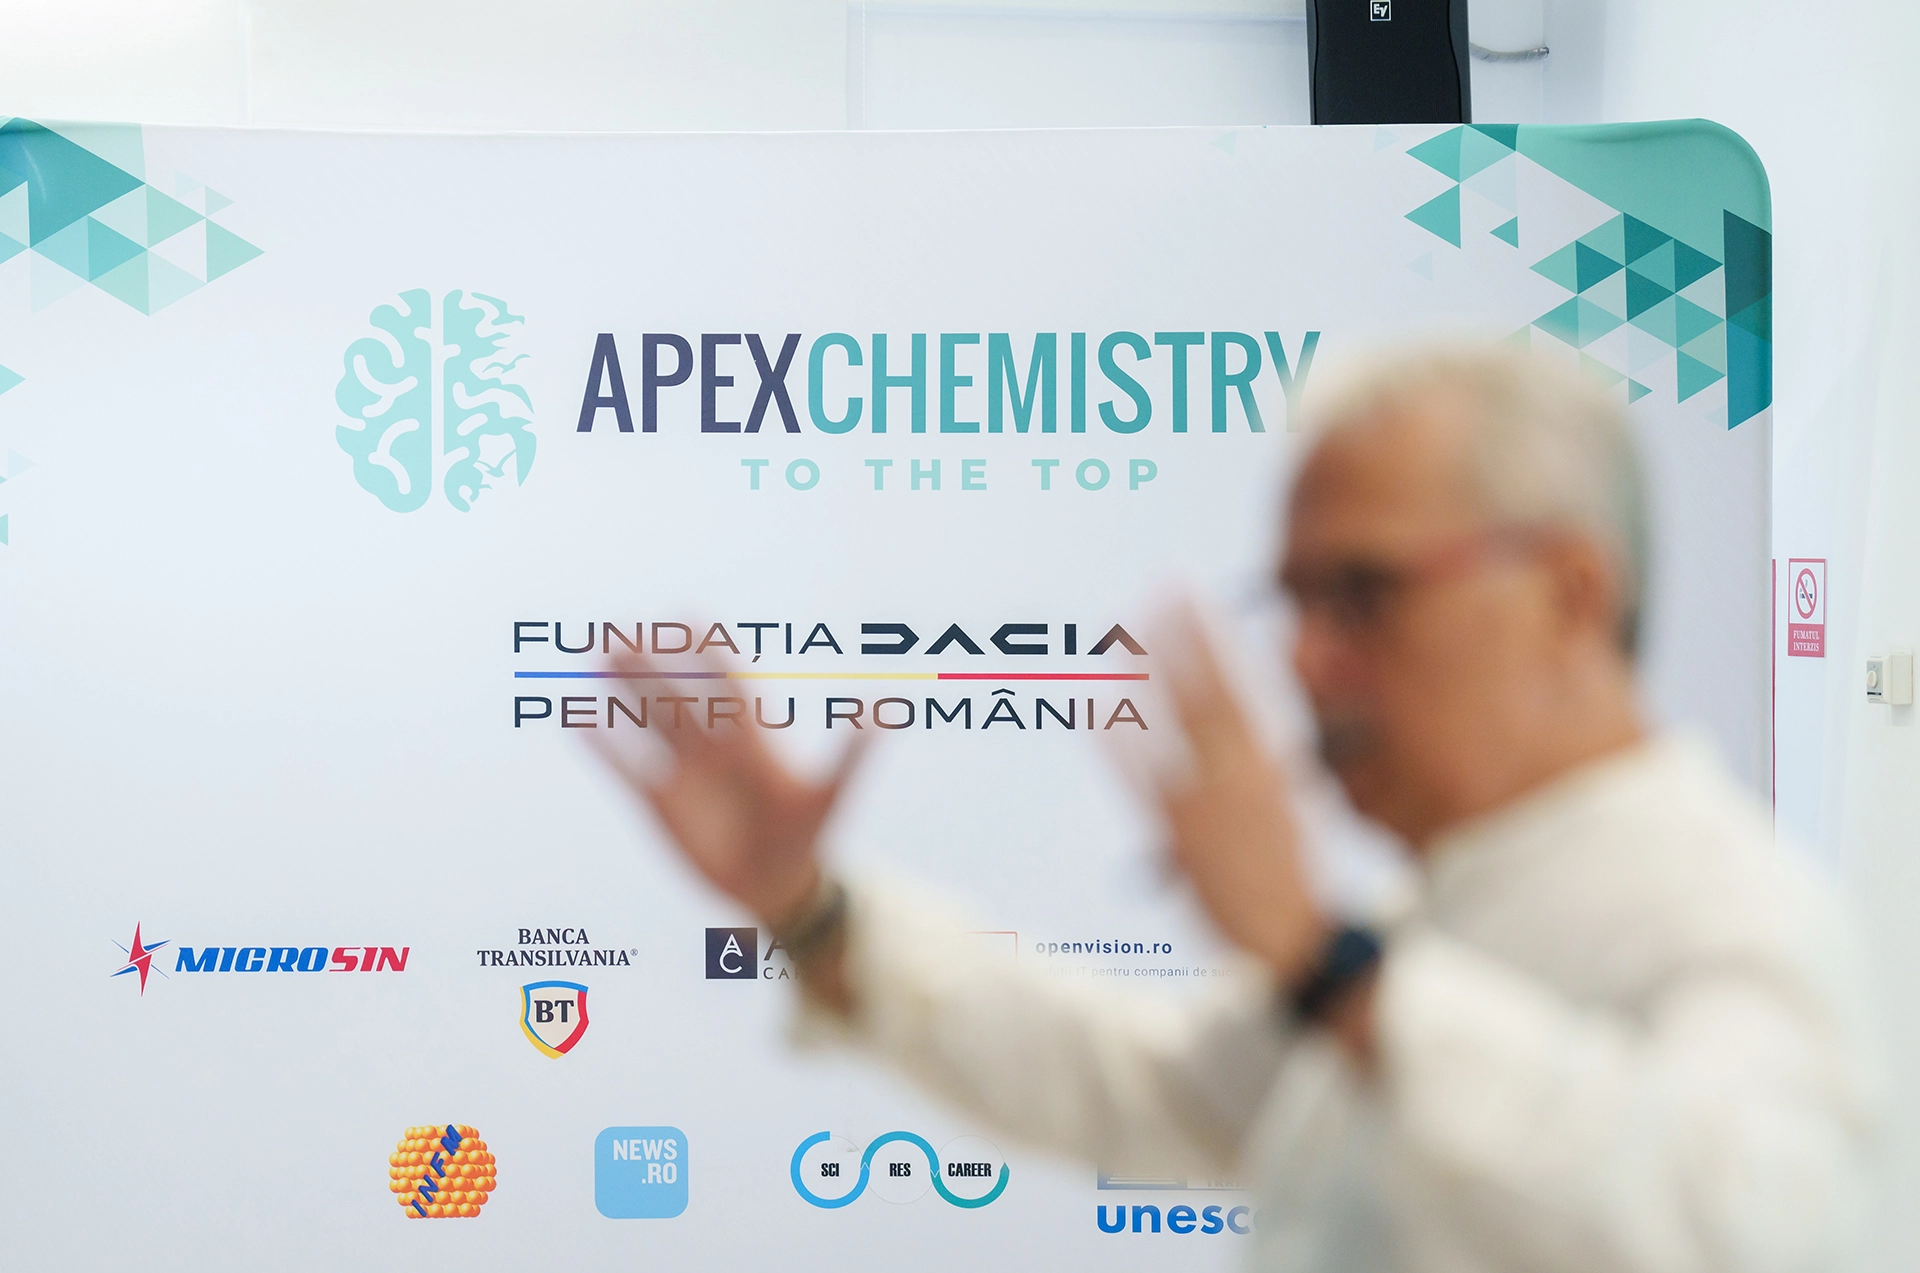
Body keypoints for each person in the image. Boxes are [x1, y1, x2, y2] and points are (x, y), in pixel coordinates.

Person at [591, 345, 1881, 1273]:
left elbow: (1758, 1233)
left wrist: (1330, 967)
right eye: (1296, 606)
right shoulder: (1449, 911)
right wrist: (806, 909)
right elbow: (1131, 1087)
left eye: (1362, 595)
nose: (1305, 663)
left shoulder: (1718, 907)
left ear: (1569, 593)